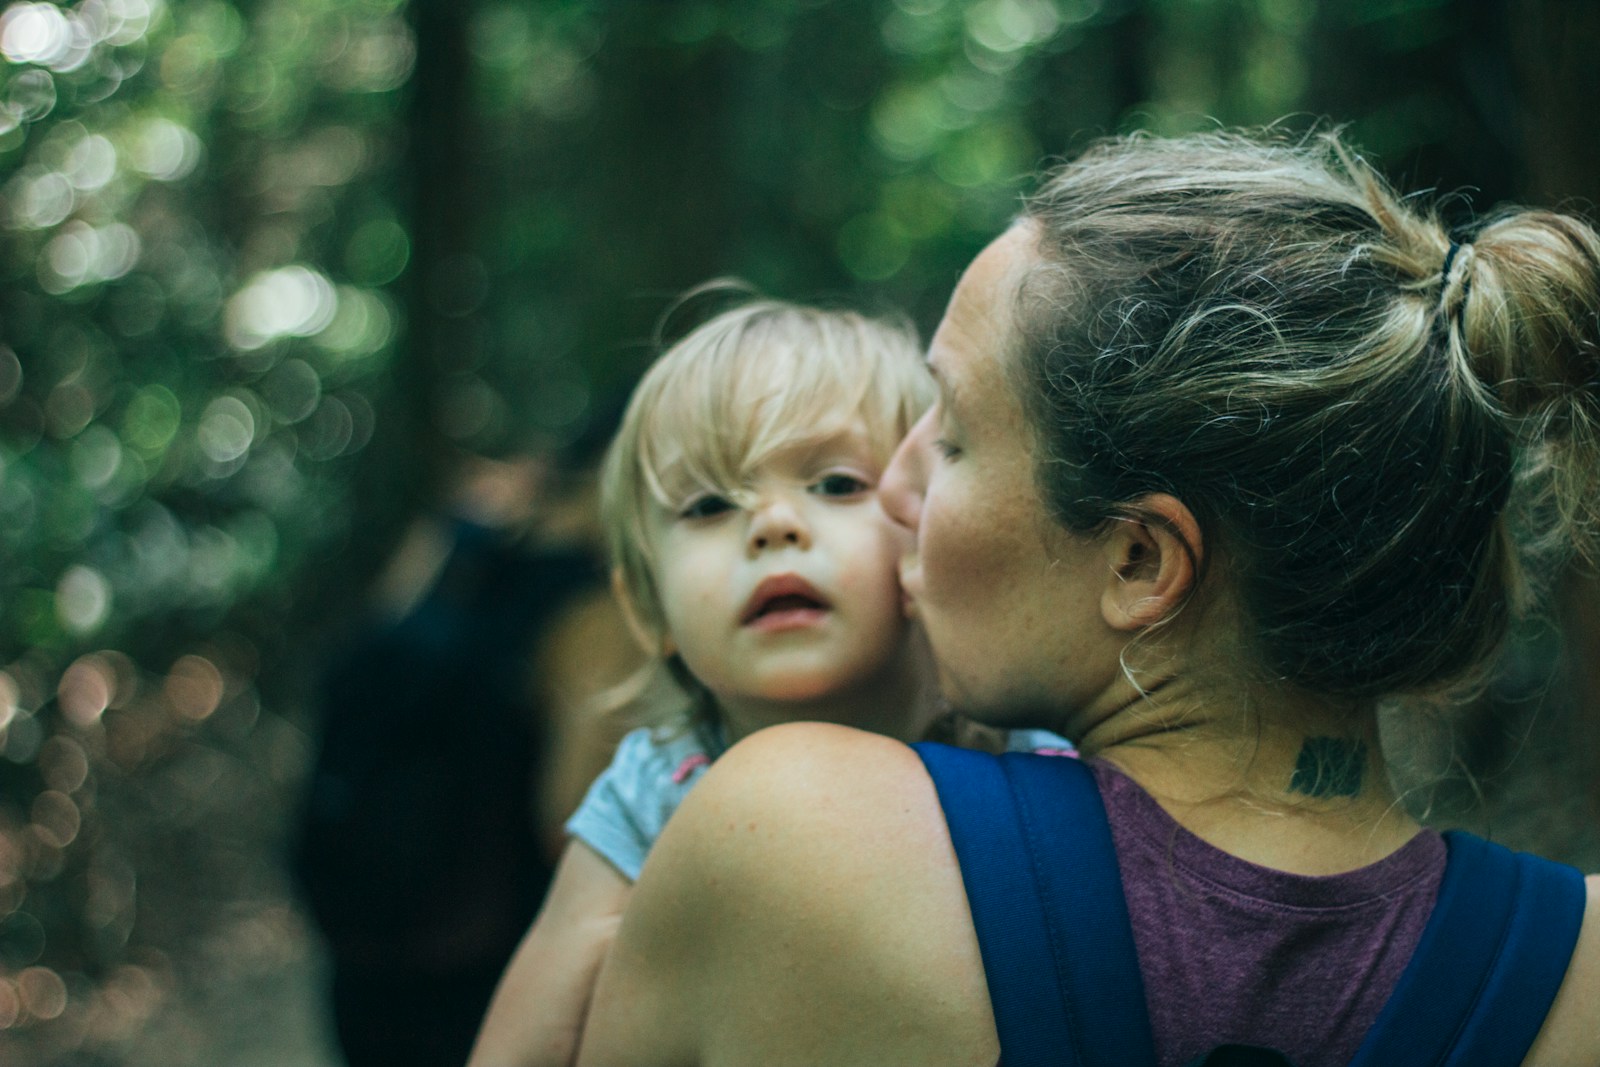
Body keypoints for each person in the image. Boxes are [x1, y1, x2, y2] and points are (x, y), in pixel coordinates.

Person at [570, 130, 1600, 1067]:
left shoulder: (785, 827)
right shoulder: (1580, 974)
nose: (894, 487)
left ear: (1139, 562)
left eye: (954, 436)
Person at [469, 298, 1066, 1067]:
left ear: (927, 539)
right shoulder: (657, 789)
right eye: (711, 504)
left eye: (838, 484)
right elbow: (519, 1047)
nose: (773, 523)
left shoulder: (1026, 756)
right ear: (648, 607)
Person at [293, 446, 641, 1067]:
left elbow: (375, 639)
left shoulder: (456, 545)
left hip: (364, 965)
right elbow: (569, 810)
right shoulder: (591, 596)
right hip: (483, 962)